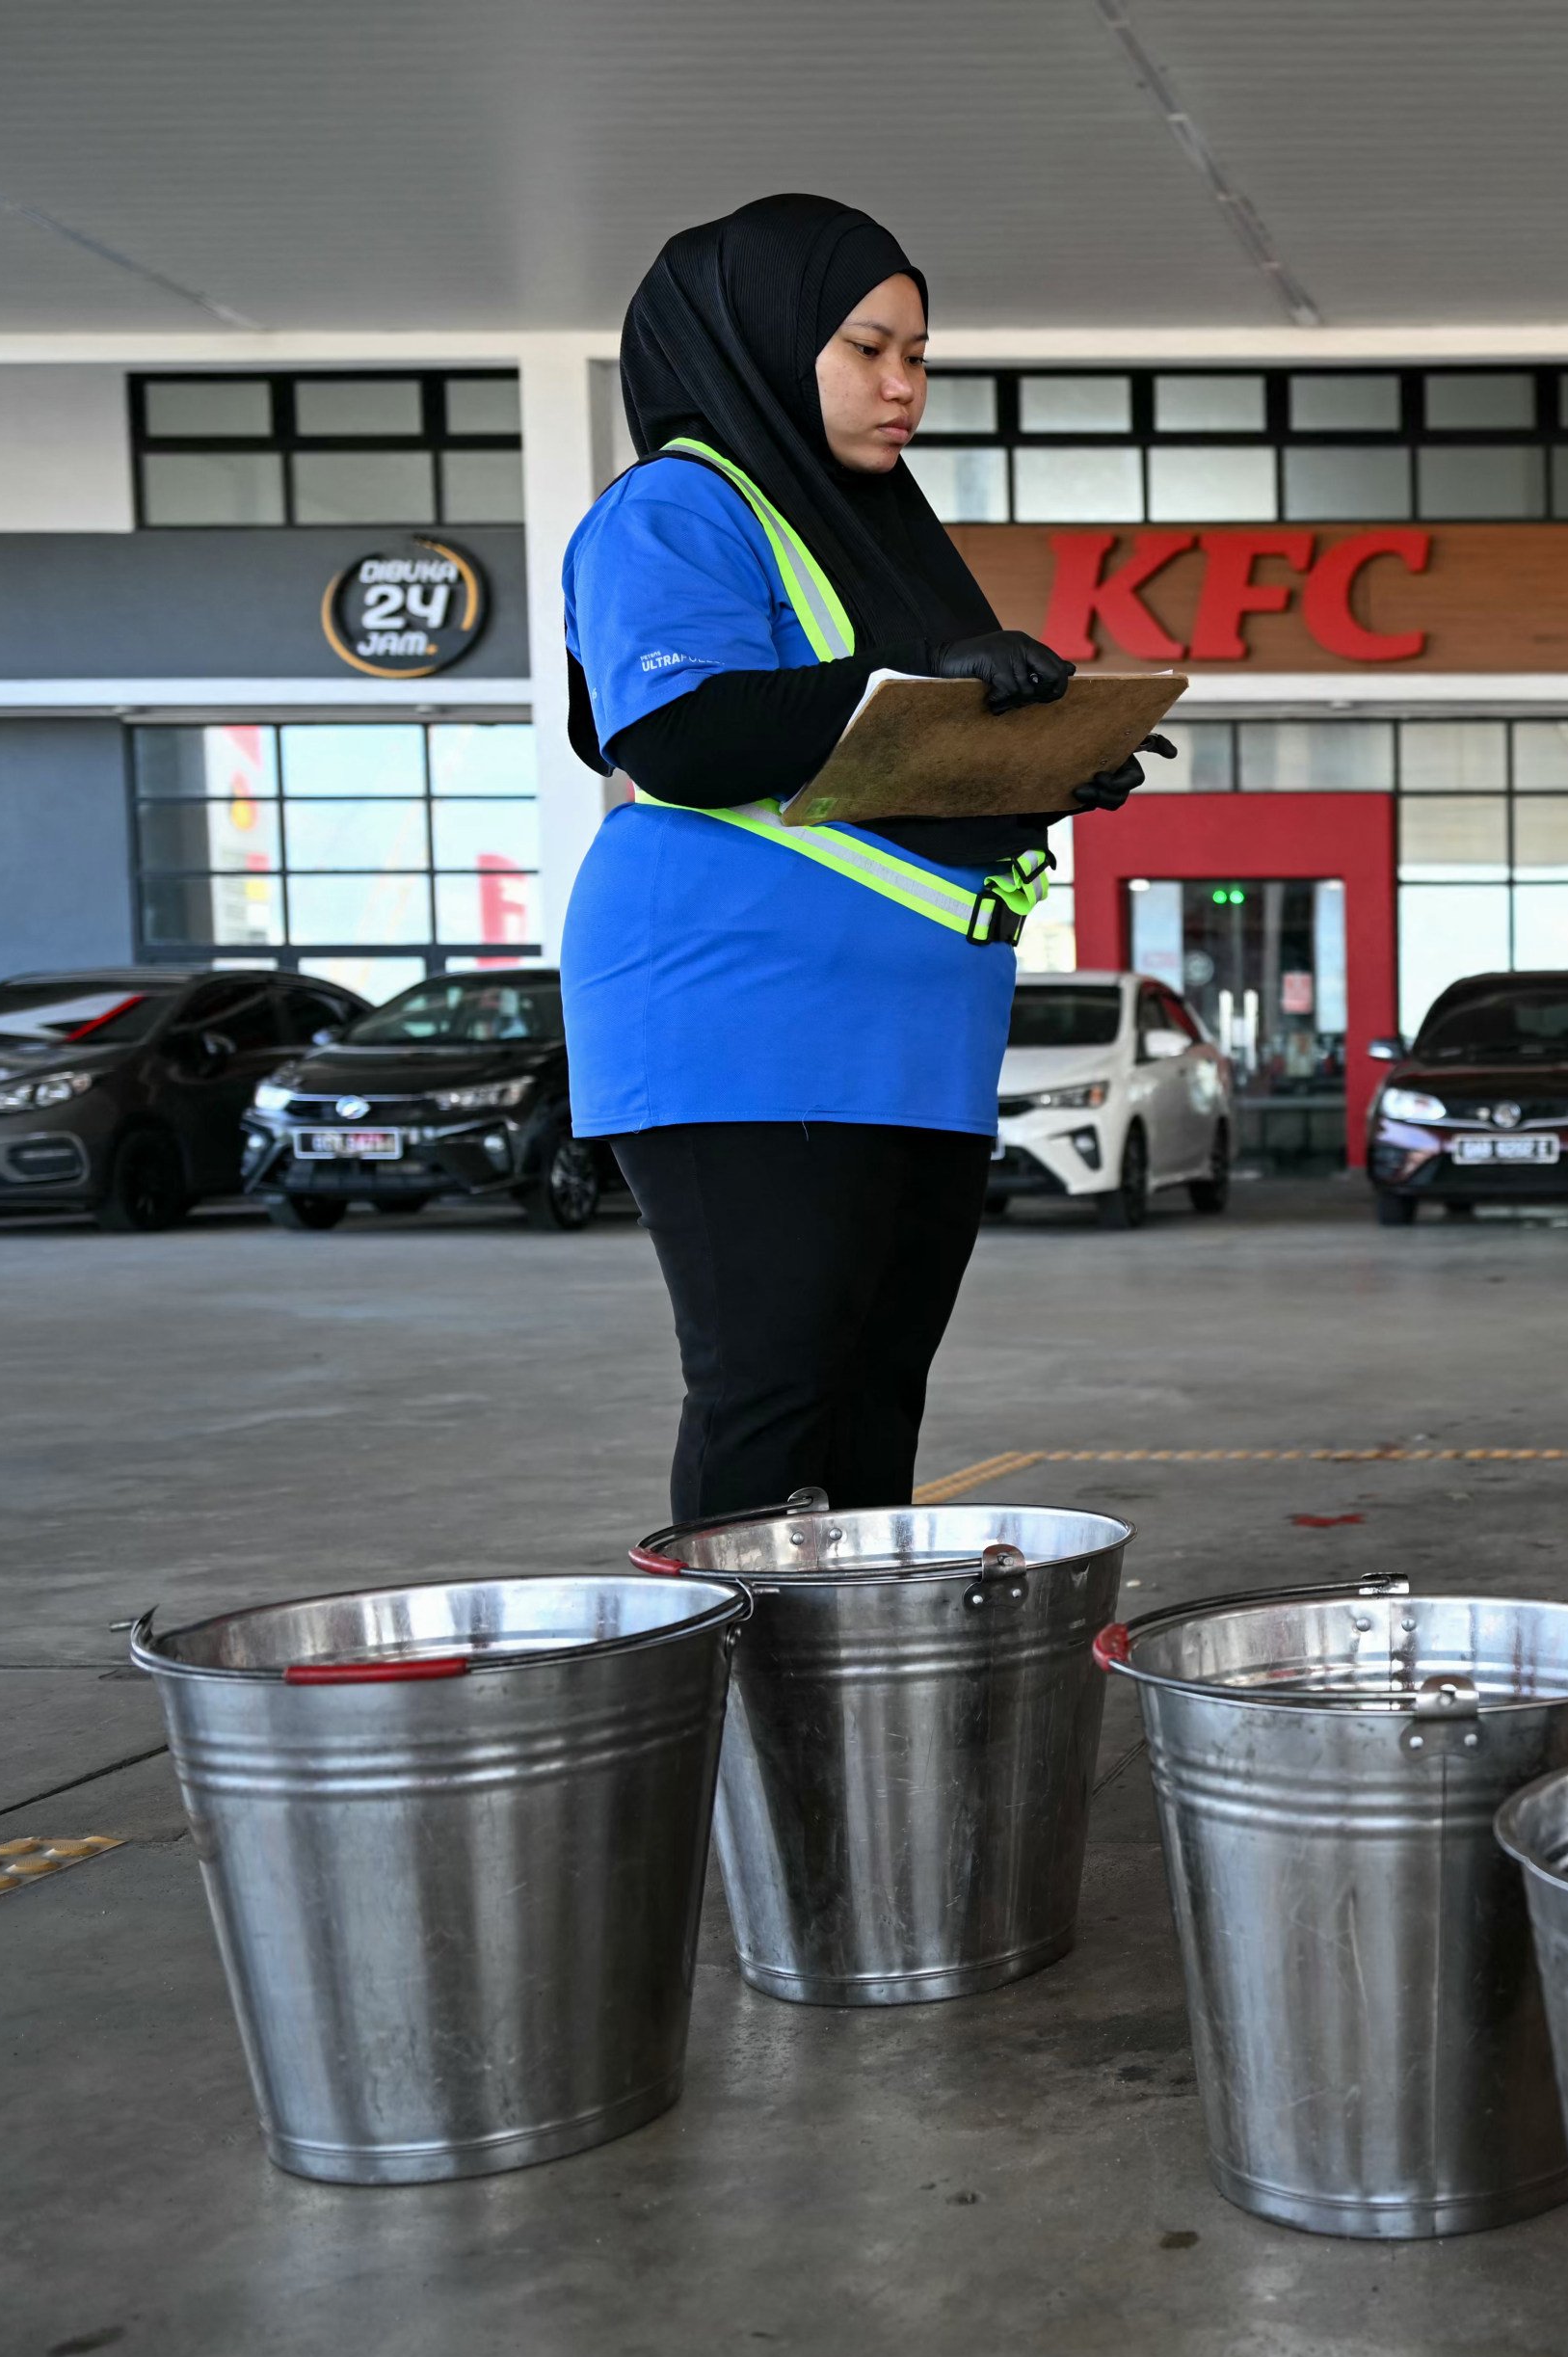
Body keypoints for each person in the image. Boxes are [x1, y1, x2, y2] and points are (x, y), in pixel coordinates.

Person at [560, 196, 1152, 1522]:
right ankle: (739, 1711)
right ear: (763, 344)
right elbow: (679, 732)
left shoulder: (879, 536)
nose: (905, 387)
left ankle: (847, 1699)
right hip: (740, 1013)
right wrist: (914, 680)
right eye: (868, 348)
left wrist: (1039, 767)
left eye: (919, 355)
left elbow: (878, 771)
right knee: (772, 1391)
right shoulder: (677, 508)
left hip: (910, 1033)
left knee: (874, 1393)